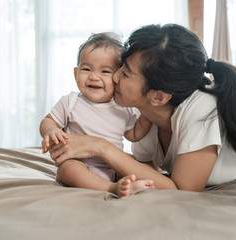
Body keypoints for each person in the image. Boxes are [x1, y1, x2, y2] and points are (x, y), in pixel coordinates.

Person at [47, 24, 236, 194]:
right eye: (120, 66)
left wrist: (101, 147)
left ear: (158, 96)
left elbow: (183, 191)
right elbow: (147, 171)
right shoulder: (144, 113)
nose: (114, 76)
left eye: (126, 73)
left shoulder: (202, 110)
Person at [40, 32, 154, 197]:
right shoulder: (70, 101)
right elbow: (48, 121)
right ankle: (111, 188)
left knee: (134, 166)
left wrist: (147, 113)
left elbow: (134, 134)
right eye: (86, 69)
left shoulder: (123, 107)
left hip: (112, 164)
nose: (94, 77)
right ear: (75, 74)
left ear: (118, 78)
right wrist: (50, 131)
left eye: (105, 72)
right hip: (79, 163)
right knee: (67, 169)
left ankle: (129, 185)